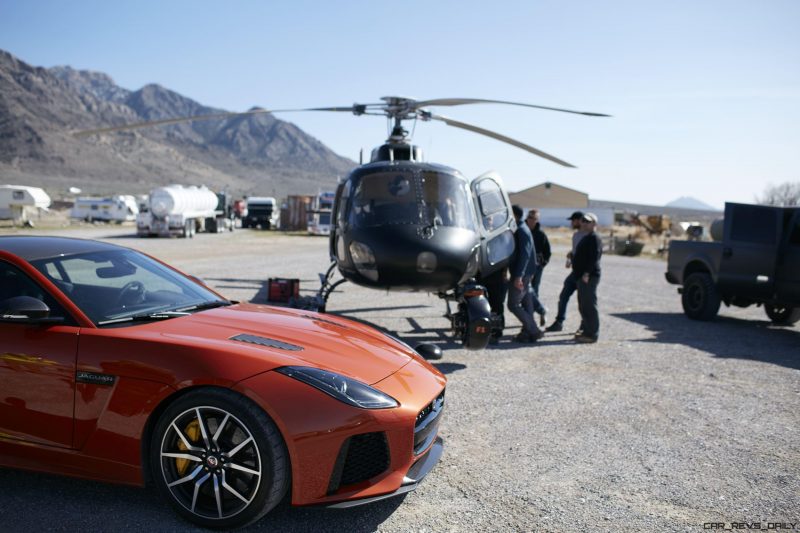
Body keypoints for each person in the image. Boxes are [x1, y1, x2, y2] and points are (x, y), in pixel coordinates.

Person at [545, 211, 588, 333]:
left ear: (580, 220)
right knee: (563, 296)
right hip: (575, 273)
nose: (571, 222)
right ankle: (559, 322)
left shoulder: (588, 236)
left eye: (573, 220)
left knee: (582, 301)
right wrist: (570, 255)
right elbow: (576, 250)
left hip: (583, 274)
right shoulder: (576, 235)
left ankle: (584, 325)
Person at [507, 205, 543, 343]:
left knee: (513, 305)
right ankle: (530, 331)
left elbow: (525, 255)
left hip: (522, 274)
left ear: (514, 215)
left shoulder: (521, 230)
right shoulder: (521, 228)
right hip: (525, 273)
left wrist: (518, 276)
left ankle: (534, 330)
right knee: (527, 303)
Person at [572, 213, 602, 343]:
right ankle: (586, 331)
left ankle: (592, 334)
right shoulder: (587, 237)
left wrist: (586, 273)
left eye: (588, 221)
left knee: (589, 305)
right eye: (583, 221)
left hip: (588, 276)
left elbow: (594, 258)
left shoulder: (595, 238)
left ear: (594, 224)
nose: (584, 223)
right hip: (581, 275)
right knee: (583, 305)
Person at [525, 208, 551, 326]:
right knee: (523, 292)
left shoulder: (541, 234)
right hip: (523, 267)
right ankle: (539, 311)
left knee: (534, 290)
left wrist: (542, 264)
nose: (531, 220)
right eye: (530, 217)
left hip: (536, 267)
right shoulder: (522, 231)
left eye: (534, 218)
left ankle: (533, 315)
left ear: (537, 220)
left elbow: (547, 252)